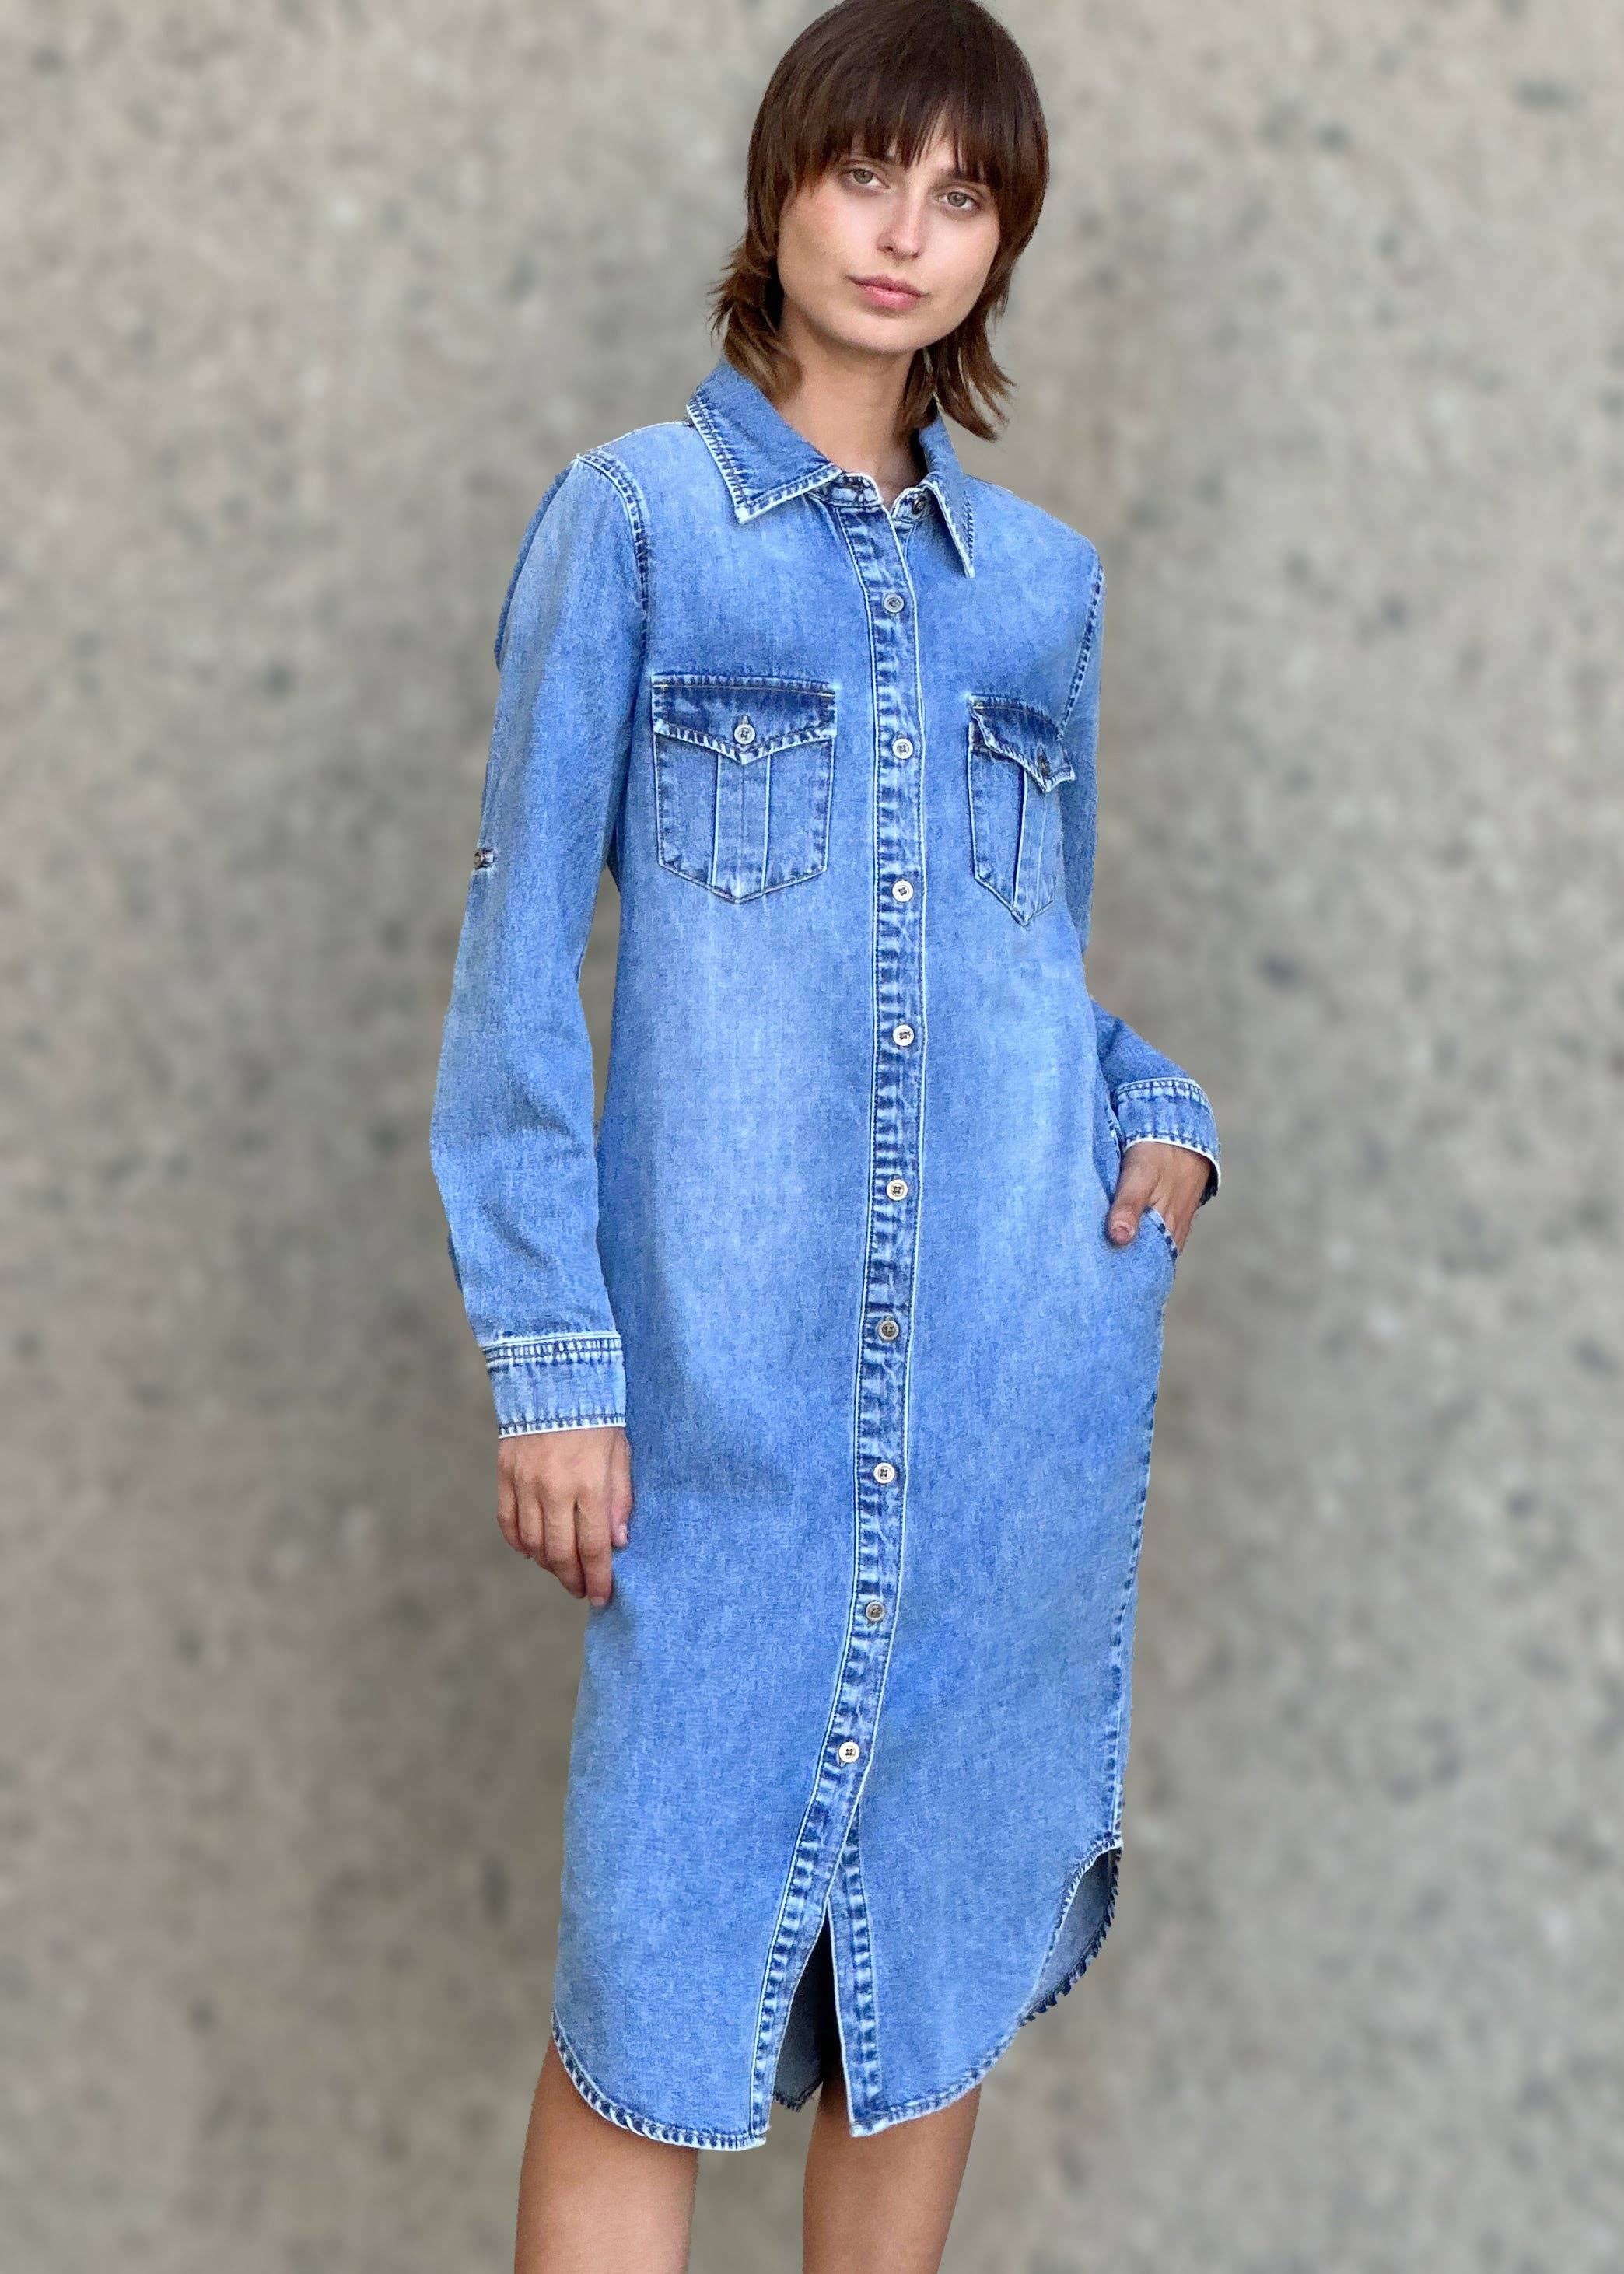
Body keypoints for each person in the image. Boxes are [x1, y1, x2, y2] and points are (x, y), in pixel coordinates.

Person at [428, 2, 1221, 2265]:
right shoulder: (634, 525)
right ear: (779, 185)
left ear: (1003, 243)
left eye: (962, 196)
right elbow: (513, 975)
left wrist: (1157, 1119)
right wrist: (555, 1365)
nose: (905, 233)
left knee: (926, 1978)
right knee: (652, 2001)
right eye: (868, 171)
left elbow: (1017, 970)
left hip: (1000, 1392)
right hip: (728, 1409)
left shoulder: (1041, 590)